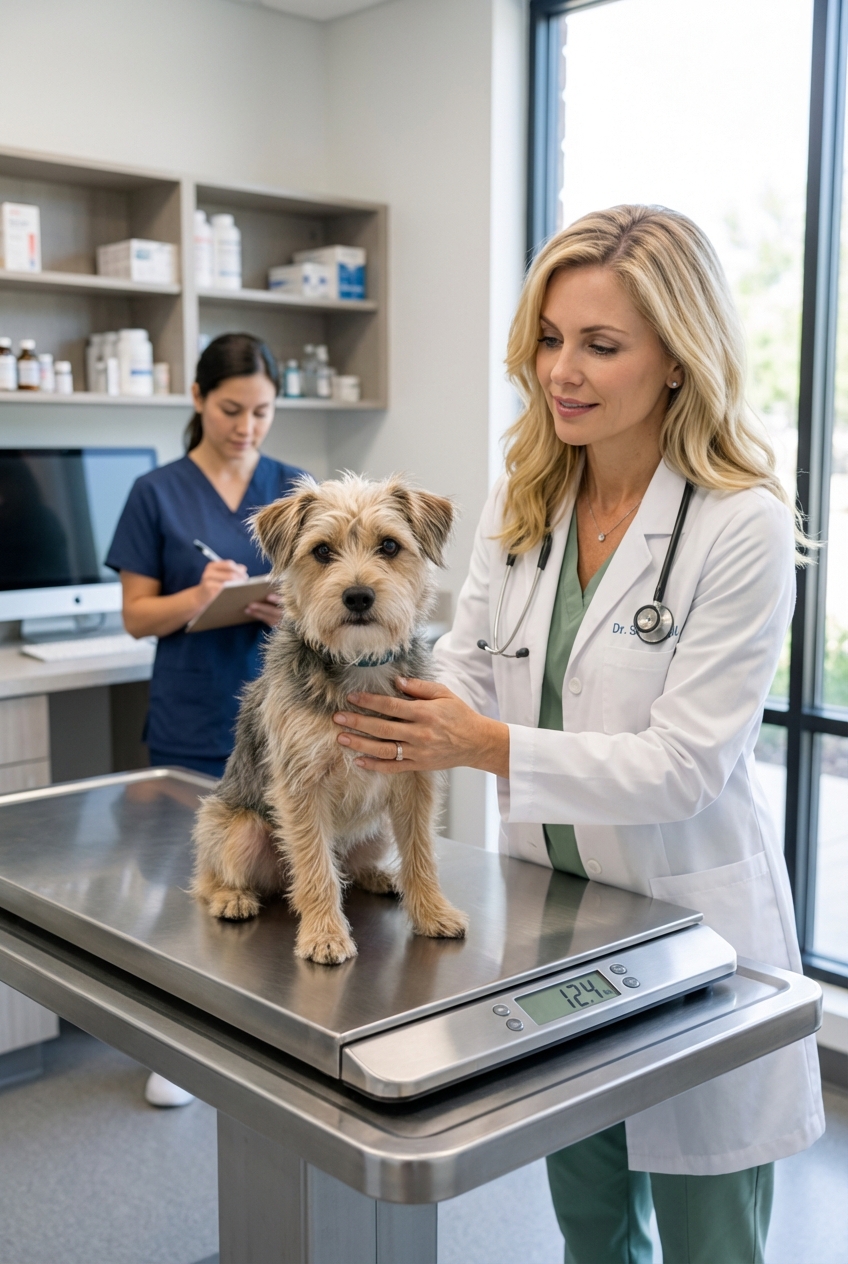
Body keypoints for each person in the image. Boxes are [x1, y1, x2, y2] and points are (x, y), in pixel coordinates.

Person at [328, 206, 825, 1264]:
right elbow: (466, 658)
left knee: (707, 1241)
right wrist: (360, 670)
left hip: (693, 935)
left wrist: (480, 744)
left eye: (600, 345)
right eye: (549, 338)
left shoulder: (738, 523)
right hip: (558, 933)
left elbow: (684, 766)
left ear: (679, 360)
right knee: (590, 1229)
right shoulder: (530, 493)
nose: (561, 370)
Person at [107, 332, 307, 1106]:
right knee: (196, 884)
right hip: (193, 716)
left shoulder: (293, 486)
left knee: (283, 877)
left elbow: (330, 592)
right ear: (198, 400)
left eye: (262, 412)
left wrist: (288, 600)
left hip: (283, 709)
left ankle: (276, 1037)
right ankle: (183, 1049)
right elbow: (134, 617)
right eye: (231, 409)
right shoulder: (156, 493)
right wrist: (198, 599)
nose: (247, 427)